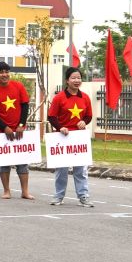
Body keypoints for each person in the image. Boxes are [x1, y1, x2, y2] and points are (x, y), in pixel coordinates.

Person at [0, 61, 33, 200]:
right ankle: (7, 191)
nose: (4, 75)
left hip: (19, 131)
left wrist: (21, 125)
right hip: (2, 132)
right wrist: (5, 127)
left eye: (6, 71)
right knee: (4, 163)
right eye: (1, 72)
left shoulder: (18, 86)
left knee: (22, 163)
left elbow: (25, 105)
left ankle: (25, 191)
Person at [48, 66, 94, 207]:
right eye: (73, 78)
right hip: (63, 137)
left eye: (79, 78)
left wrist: (83, 121)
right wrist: (60, 127)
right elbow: (51, 116)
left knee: (80, 170)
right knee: (61, 170)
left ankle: (83, 196)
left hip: (79, 138)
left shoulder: (85, 97)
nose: (76, 80)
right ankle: (58, 196)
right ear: (67, 80)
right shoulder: (59, 98)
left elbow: (89, 116)